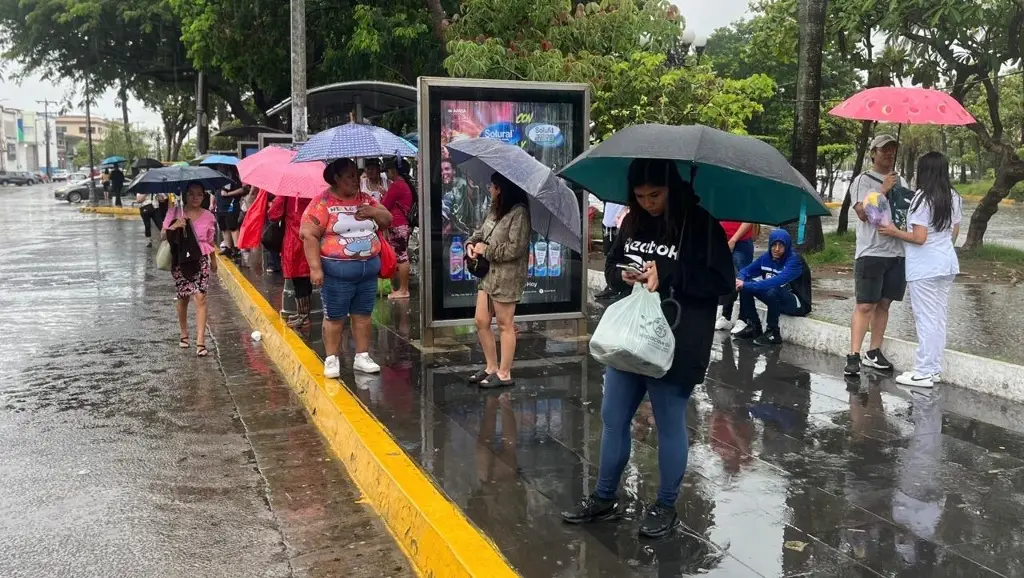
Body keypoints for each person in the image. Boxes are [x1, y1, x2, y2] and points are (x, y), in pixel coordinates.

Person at [560, 159, 733, 538]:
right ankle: (605, 497)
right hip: (630, 338)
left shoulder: (700, 225)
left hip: (678, 341)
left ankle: (665, 506)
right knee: (613, 416)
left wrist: (669, 275)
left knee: (670, 423)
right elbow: (610, 266)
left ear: (672, 187)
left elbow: (722, 282)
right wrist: (621, 274)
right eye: (640, 196)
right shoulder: (633, 220)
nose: (649, 202)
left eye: (655, 195)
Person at [300, 158, 392, 377]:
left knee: (363, 315)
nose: (355, 179)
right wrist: (315, 268)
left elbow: (387, 219)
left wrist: (373, 212)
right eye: (350, 175)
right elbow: (308, 234)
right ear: (336, 178)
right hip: (337, 272)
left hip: (367, 270)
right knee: (335, 316)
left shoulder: (366, 199)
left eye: (355, 174)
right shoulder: (322, 202)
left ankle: (362, 356)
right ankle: (332, 358)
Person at [878, 152, 962, 387]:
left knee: (925, 319)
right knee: (938, 318)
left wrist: (894, 231)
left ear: (923, 172)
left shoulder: (922, 198)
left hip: (925, 267)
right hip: (946, 264)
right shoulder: (953, 196)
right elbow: (954, 231)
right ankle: (933, 369)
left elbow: (919, 237)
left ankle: (924, 371)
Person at [846, 134, 912, 376]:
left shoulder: (901, 179)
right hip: (871, 252)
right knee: (865, 304)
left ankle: (874, 351)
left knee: (884, 303)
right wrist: (882, 190)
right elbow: (863, 214)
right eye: (884, 149)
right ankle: (853, 354)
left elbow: (906, 211)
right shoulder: (863, 180)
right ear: (873, 153)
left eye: (893, 149)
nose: (889, 153)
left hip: (897, 251)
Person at [464, 173, 532, 389]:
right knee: (481, 321)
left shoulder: (519, 213)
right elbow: (480, 233)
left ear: (501, 188)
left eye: (492, 186)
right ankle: (491, 366)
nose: (489, 190)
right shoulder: (495, 209)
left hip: (507, 277)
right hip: (488, 275)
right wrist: (471, 245)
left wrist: (487, 250)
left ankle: (504, 372)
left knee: (505, 324)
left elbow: (516, 248)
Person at [162, 182, 218, 358]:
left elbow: (210, 241)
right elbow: (163, 235)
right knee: (183, 296)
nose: (195, 197)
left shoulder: (209, 216)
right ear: (185, 195)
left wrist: (214, 261)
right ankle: (184, 332)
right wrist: (174, 226)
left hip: (200, 259)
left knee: (201, 297)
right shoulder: (175, 211)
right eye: (192, 194)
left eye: (199, 194)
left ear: (204, 196)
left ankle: (200, 341)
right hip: (181, 260)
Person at [733, 229, 812, 346]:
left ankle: (773, 332)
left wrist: (747, 284)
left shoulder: (795, 261)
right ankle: (754, 326)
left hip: (796, 304)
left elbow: (776, 281)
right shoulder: (766, 258)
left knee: (771, 288)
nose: (776, 249)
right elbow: (746, 271)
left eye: (781, 245)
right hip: (775, 299)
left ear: (787, 246)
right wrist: (740, 279)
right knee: (746, 286)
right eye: (774, 244)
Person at [269, 194, 313, 327]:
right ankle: (303, 313)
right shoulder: (312, 193)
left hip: (294, 239)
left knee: (299, 279)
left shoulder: (288, 193)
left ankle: (304, 317)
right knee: (305, 278)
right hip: (311, 238)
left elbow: (273, 214)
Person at [382, 157, 417, 300]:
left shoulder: (397, 185)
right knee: (401, 255)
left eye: (389, 170)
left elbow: (384, 205)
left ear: (395, 171)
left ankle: (403, 290)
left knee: (401, 256)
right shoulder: (405, 184)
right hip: (403, 225)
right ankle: (402, 289)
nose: (387, 173)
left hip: (397, 225)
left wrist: (383, 194)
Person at [715, 220, 755, 332]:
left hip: (741, 242)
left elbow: (749, 220)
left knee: (743, 279)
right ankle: (726, 316)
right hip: (724, 240)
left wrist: (734, 239)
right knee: (727, 278)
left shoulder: (747, 202)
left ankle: (743, 319)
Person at [595, 201, 628, 300]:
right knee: (609, 254)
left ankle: (621, 287)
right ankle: (610, 285)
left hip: (620, 223)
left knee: (621, 255)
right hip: (608, 223)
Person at [215, 168, 246, 257]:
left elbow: (242, 190)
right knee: (224, 227)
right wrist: (212, 203)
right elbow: (214, 193)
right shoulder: (217, 179)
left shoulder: (234, 178)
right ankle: (228, 248)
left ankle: (237, 248)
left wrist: (228, 194)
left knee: (233, 226)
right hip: (220, 206)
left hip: (231, 206)